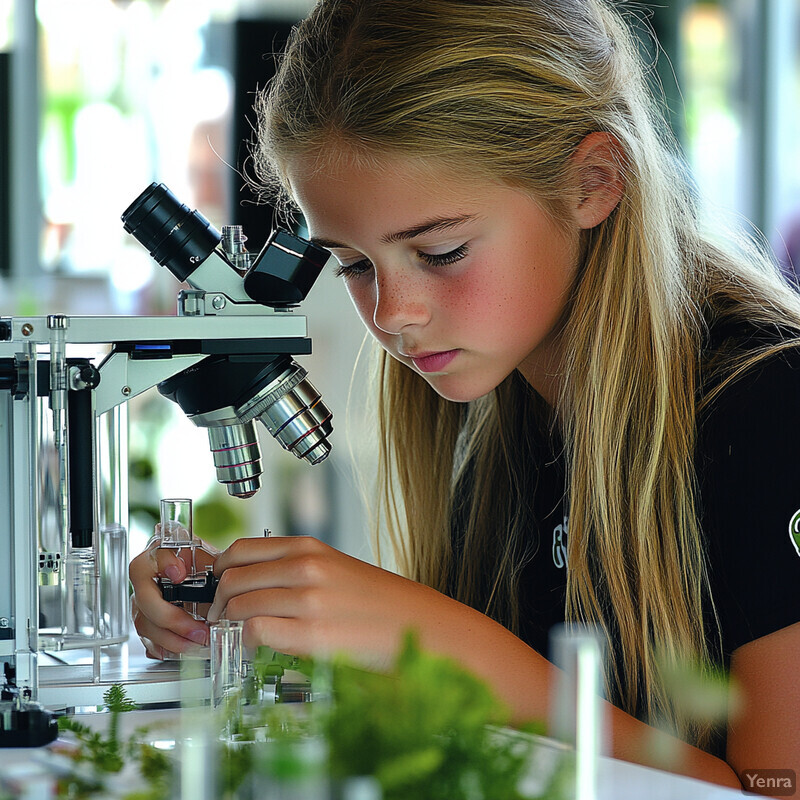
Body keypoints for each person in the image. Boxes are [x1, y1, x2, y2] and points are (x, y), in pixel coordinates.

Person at [130, 0, 800, 790]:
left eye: (441, 251)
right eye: (352, 264)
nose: (392, 313)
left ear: (595, 182)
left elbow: (773, 788)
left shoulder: (773, 410)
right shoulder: (505, 426)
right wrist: (270, 623)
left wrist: (445, 646)